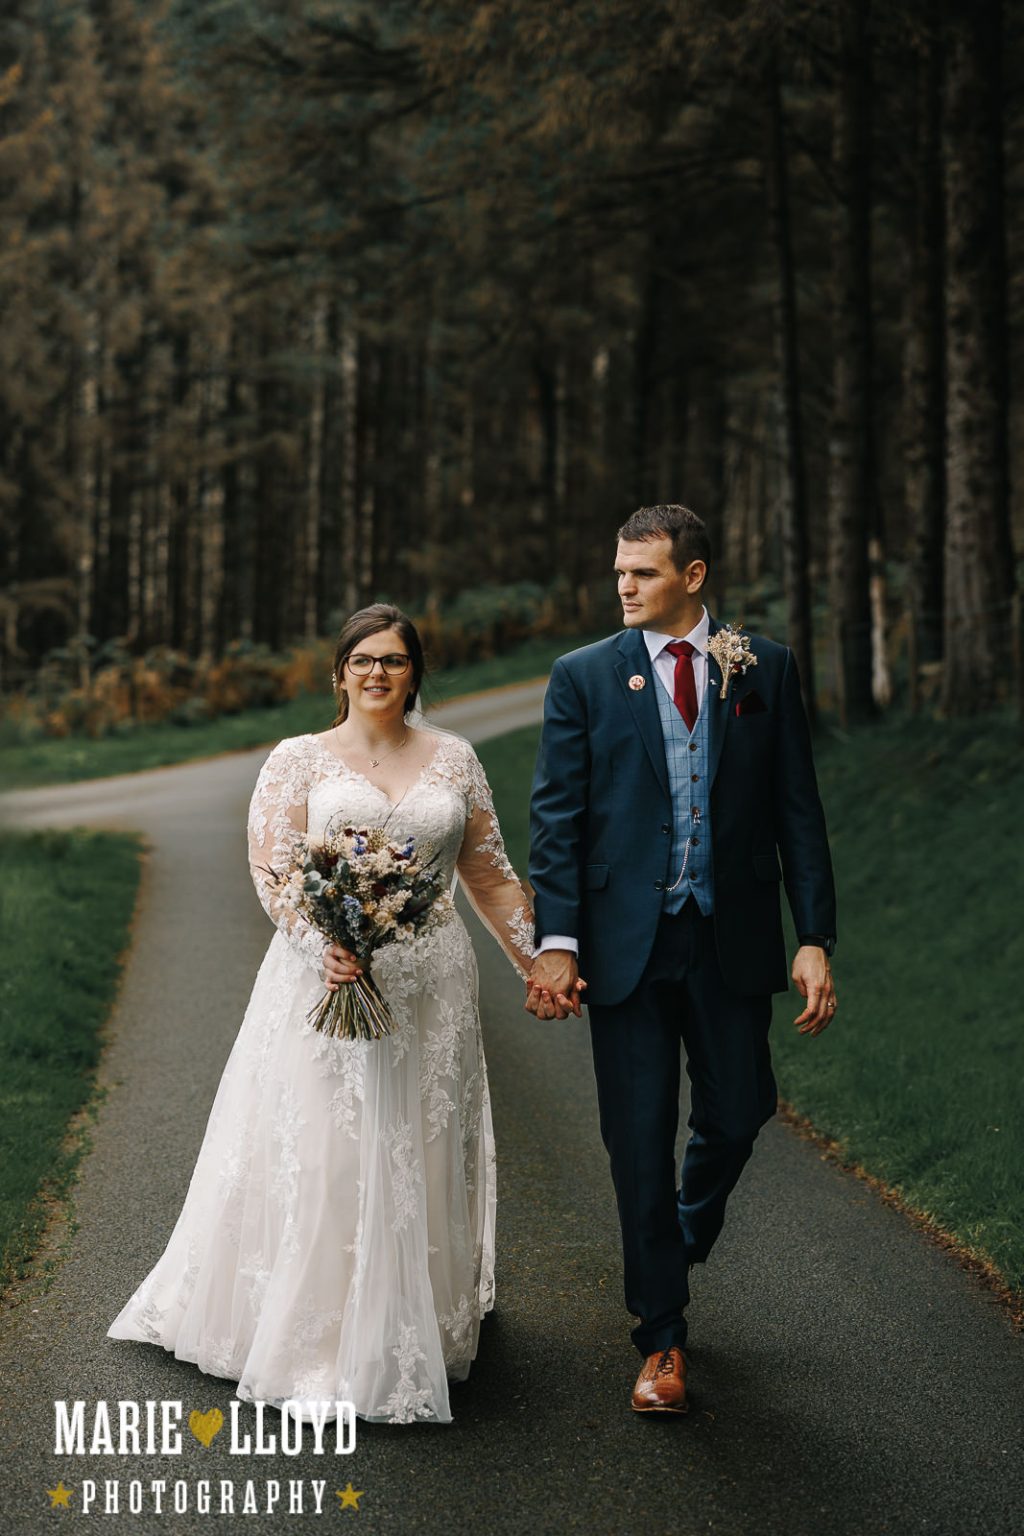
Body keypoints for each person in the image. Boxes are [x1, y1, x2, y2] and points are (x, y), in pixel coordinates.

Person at [109, 603, 536, 1424]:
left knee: (418, 1138)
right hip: (323, 976)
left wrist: (540, 961)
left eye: (397, 661)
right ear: (339, 673)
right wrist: (321, 945)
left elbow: (488, 873)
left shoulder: (456, 760)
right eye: (363, 659)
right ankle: (321, 1328)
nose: (379, 673)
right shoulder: (298, 759)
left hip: (430, 984)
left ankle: (419, 1313)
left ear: (417, 674)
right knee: (330, 1141)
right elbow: (273, 871)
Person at [526, 504, 837, 1414]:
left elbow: (798, 816)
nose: (623, 586)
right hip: (625, 946)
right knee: (636, 1141)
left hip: (728, 936)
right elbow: (558, 820)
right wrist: (557, 942)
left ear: (693, 577)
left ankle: (676, 1236)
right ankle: (661, 1339)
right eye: (619, 571)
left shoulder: (762, 670)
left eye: (644, 573)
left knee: (741, 1110)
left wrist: (813, 935)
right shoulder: (582, 677)